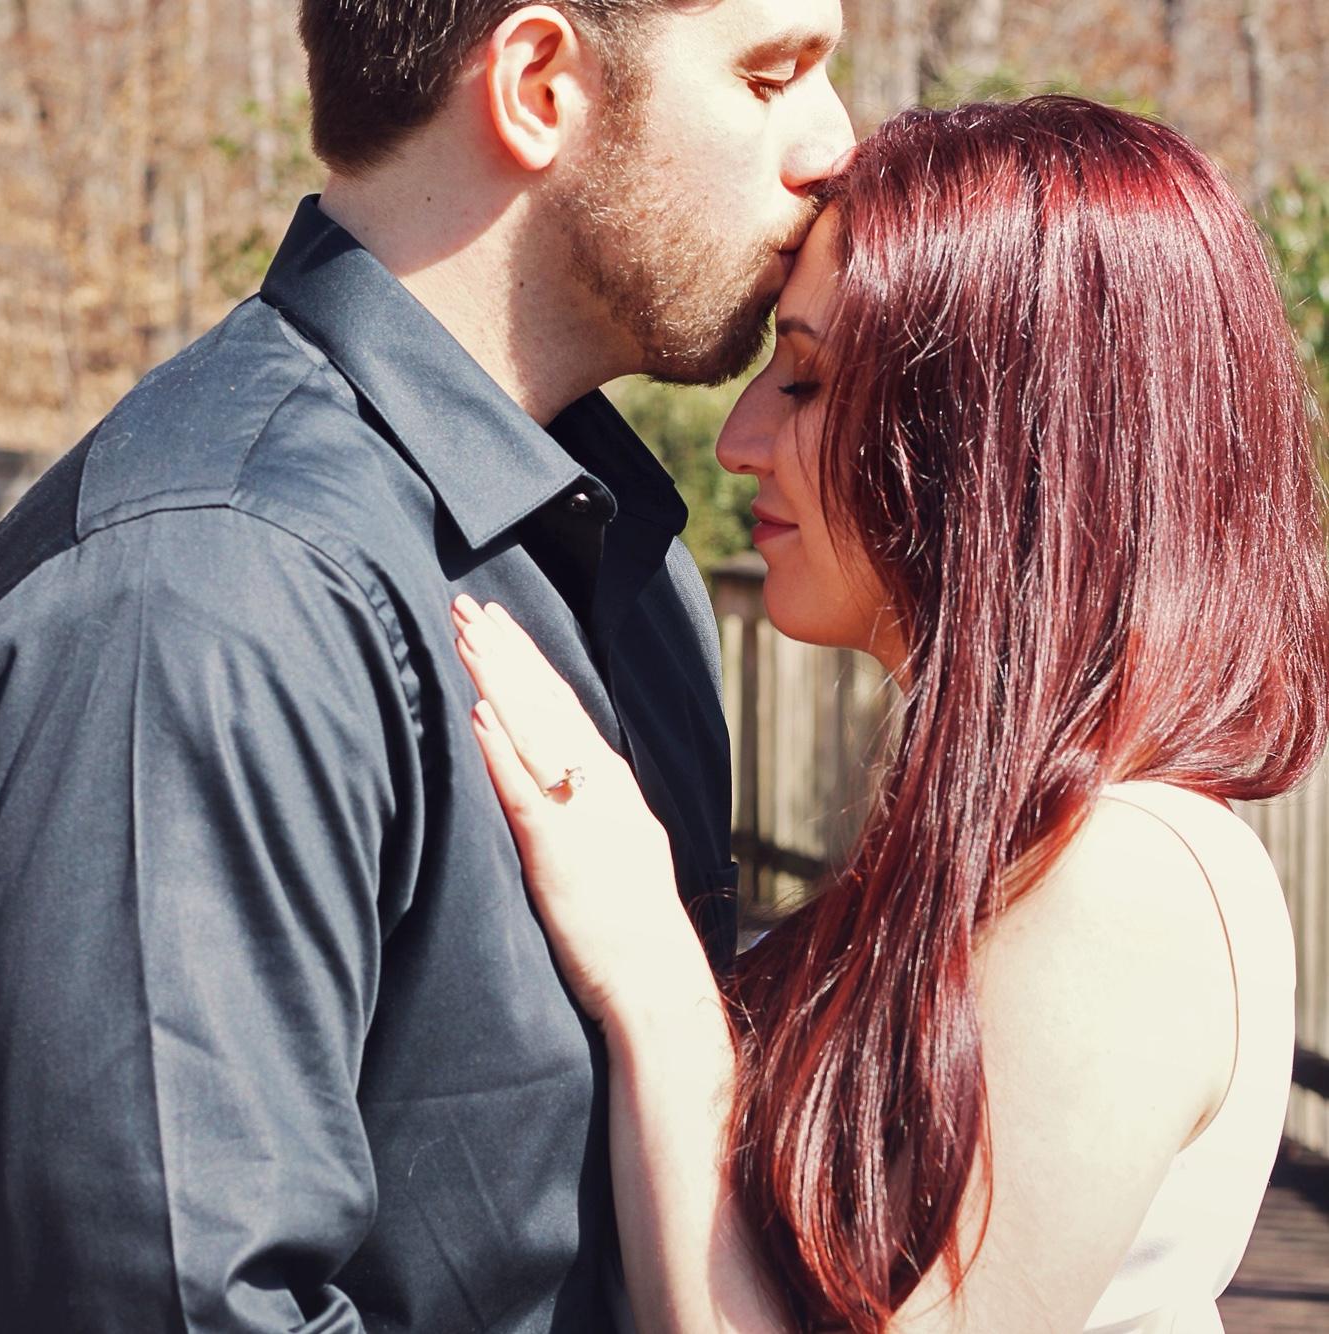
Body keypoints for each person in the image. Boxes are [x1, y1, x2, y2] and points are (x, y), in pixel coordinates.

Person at [0, 1, 853, 1330]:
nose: (831, 143)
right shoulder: (210, 584)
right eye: (769, 74)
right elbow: (165, 1296)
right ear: (537, 84)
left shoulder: (619, 552)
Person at [452, 97, 1329, 1333]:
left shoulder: (1123, 882)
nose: (740, 441)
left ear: (1004, 442)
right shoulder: (1018, 831)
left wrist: (650, 974)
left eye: (806, 381)